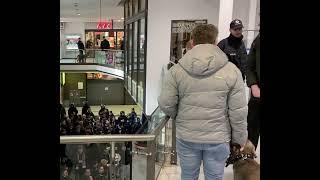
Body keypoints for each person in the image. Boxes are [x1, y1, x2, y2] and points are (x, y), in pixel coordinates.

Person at [158, 24, 248, 180]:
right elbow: (238, 112)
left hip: (187, 136)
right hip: (218, 137)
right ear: (215, 42)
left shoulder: (176, 71)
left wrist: (180, 116)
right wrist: (239, 139)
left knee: (188, 175)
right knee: (214, 177)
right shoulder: (232, 71)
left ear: (192, 42)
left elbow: (166, 103)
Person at [246, 33, 260, 149]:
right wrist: (253, 85)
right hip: (257, 94)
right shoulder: (257, 40)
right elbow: (249, 66)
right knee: (251, 129)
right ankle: (248, 159)